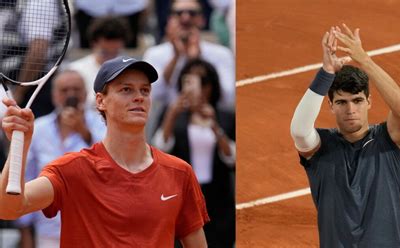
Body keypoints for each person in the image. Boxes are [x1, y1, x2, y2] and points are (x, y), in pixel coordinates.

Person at [0, 56, 209, 247]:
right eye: (126, 89)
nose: (139, 97)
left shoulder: (179, 173)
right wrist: (22, 144)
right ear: (100, 101)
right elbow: (8, 208)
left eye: (144, 90)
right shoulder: (71, 170)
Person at [290, 24, 400, 247]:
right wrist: (326, 73)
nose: (350, 110)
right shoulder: (320, 148)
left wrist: (364, 60)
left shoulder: (388, 140)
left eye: (357, 100)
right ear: (331, 106)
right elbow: (299, 130)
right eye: (341, 102)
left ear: (369, 102)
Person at [14, 70, 106, 248]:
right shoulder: (38, 129)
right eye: (65, 90)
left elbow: (111, 164)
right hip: (49, 231)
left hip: (93, 229)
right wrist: (25, 232)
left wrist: (83, 131)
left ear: (86, 93)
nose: (71, 94)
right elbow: (27, 178)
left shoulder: (102, 125)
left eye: (76, 89)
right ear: (54, 95)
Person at [152, 59, 235, 247]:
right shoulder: (171, 113)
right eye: (189, 80)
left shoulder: (224, 116)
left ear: (212, 85)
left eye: (203, 81)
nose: (198, 88)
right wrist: (172, 114)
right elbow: (159, 149)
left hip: (216, 197)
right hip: (178, 195)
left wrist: (214, 125)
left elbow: (233, 159)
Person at [143, 0, 235, 116]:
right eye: (178, 13)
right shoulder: (154, 54)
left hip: (210, 119)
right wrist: (175, 58)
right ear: (169, 19)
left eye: (192, 13)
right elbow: (153, 96)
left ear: (202, 20)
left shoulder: (222, 53)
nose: (185, 18)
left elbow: (228, 98)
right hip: (168, 121)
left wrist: (197, 61)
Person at [68, 16, 130, 108]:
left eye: (115, 53)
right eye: (105, 52)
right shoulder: (76, 70)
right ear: (93, 44)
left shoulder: (131, 70)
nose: (110, 58)